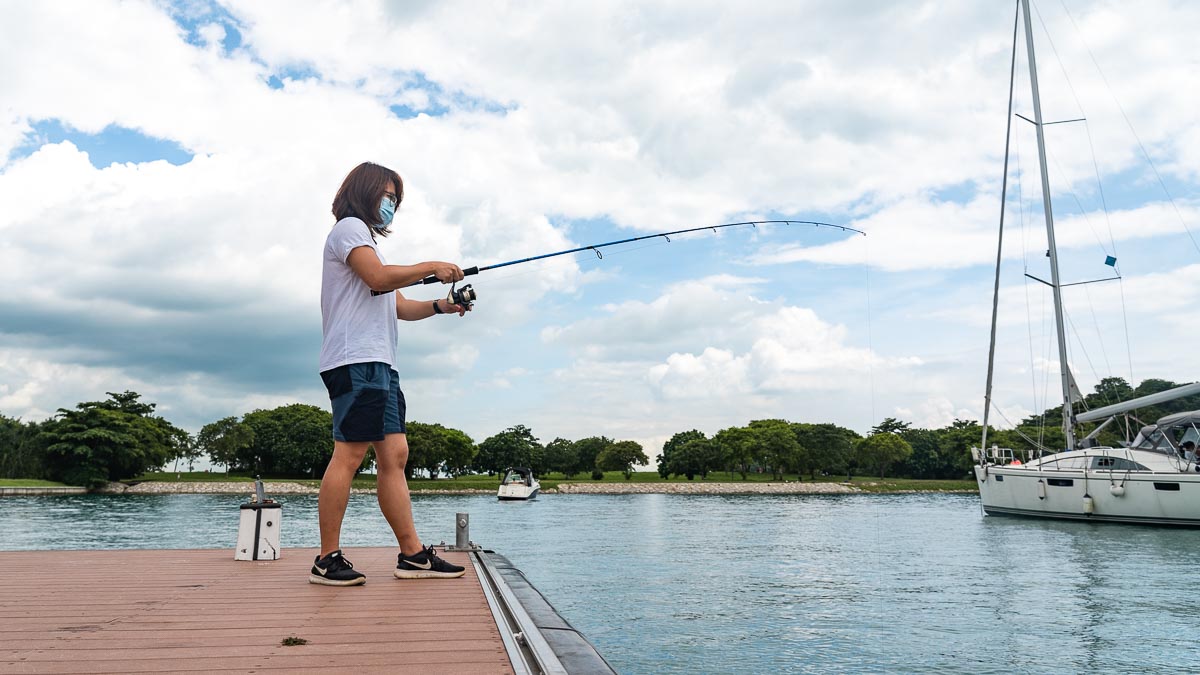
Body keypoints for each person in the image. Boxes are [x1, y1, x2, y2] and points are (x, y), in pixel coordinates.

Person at [310, 161, 470, 586]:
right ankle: (326, 559)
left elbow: (396, 304)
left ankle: (413, 556)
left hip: (381, 364)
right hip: (353, 360)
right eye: (386, 195)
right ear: (363, 192)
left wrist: (441, 305)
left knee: (394, 455)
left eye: (395, 199)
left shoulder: (368, 244)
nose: (391, 204)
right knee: (349, 454)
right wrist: (430, 265)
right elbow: (379, 278)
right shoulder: (348, 229)